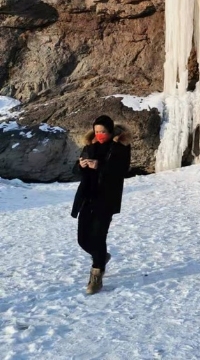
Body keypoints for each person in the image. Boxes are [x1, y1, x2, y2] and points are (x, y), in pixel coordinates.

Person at [71, 115, 131, 294]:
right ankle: (101, 257)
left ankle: (96, 274)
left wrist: (100, 166)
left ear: (110, 131)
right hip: (87, 197)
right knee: (83, 239)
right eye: (97, 131)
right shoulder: (90, 146)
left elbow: (122, 170)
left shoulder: (120, 147)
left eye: (103, 131)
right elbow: (75, 171)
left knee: (98, 236)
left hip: (106, 199)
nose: (99, 134)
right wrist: (81, 165)